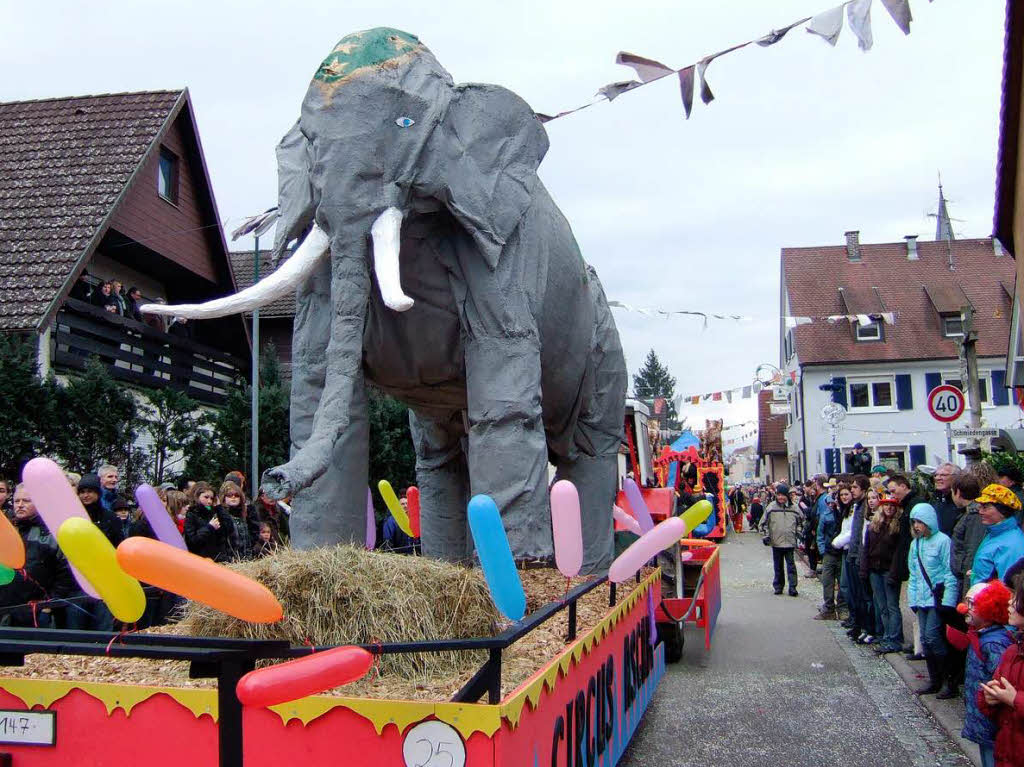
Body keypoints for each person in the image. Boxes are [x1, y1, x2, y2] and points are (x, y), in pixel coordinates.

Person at [956, 580, 1014, 767]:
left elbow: (1001, 681)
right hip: (982, 716)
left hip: (991, 719)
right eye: (967, 601)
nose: (965, 608)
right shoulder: (980, 635)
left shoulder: (993, 643)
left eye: (972, 603)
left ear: (990, 608)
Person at [0, 485, 72, 628]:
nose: (20, 505)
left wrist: (48, 605)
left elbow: (65, 576)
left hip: (35, 611)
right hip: (5, 608)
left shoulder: (52, 535)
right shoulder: (5, 530)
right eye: (17, 501)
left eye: (26, 501)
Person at [907, 502, 958, 696]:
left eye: (920, 521)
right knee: (925, 641)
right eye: (914, 522)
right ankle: (934, 680)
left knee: (933, 637)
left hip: (937, 598)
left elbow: (949, 571)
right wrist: (912, 600)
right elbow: (913, 574)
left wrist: (948, 601)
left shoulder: (943, 541)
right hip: (921, 599)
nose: (917, 526)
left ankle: (948, 681)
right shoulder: (916, 543)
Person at [978, 576, 1024, 767]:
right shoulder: (1013, 651)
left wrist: (1015, 699)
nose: (1010, 602)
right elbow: (991, 693)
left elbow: (1012, 698)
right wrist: (989, 698)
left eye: (1017, 597)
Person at [863, 495, 905, 654]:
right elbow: (866, 548)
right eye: (886, 505)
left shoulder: (897, 527)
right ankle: (887, 635)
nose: (889, 508)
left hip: (889, 570)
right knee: (882, 606)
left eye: (892, 506)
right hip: (875, 569)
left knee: (892, 606)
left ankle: (894, 638)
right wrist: (864, 568)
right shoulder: (874, 525)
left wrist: (895, 572)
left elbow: (898, 552)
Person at [888, 473, 919, 656]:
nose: (893, 496)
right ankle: (919, 644)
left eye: (894, 491)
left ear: (904, 485)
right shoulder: (907, 505)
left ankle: (919, 645)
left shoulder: (914, 504)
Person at [971, 484, 1024, 586]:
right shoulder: (994, 533)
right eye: (980, 506)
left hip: (992, 600)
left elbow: (1010, 587)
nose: (980, 511)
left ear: (1002, 511)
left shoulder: (1012, 544)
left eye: (985, 507)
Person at [844, 475, 874, 643]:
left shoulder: (864, 507)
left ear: (863, 489)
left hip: (859, 556)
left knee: (863, 596)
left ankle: (865, 627)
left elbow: (863, 535)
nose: (852, 490)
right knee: (855, 595)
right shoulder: (856, 506)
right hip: (853, 554)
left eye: (855, 487)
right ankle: (859, 626)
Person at [952, 472, 987, 599]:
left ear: (958, 492)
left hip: (969, 579)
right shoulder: (970, 514)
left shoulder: (975, 516)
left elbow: (973, 550)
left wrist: (968, 584)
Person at [760, 484, 800, 596]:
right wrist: (767, 535)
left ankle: (792, 587)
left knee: (791, 566)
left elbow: (802, 521)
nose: (781, 497)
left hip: (790, 541)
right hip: (776, 542)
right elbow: (763, 523)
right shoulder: (771, 507)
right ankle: (778, 586)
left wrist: (798, 532)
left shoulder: (794, 508)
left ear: (787, 496)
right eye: (779, 495)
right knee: (778, 566)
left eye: (783, 495)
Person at [815, 476, 845, 620]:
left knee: (843, 583)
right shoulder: (825, 515)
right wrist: (822, 550)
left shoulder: (844, 514)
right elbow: (820, 534)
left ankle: (842, 609)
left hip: (841, 552)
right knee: (827, 582)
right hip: (829, 552)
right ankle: (828, 608)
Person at [184, 482, 237, 562]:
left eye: (211, 498)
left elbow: (229, 528)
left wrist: (219, 507)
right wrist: (209, 527)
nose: (209, 501)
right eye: (206, 497)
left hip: (218, 559)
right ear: (197, 496)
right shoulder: (191, 515)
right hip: (201, 560)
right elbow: (193, 540)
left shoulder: (213, 512)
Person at [218, 481, 257, 561]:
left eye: (236, 495)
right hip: (229, 561)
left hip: (247, 560)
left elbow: (253, 534)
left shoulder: (245, 514)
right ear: (224, 498)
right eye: (229, 495)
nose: (233, 497)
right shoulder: (220, 515)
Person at [931, 463, 960, 536]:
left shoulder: (961, 502)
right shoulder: (935, 501)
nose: (938, 478)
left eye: (943, 475)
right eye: (936, 475)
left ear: (956, 477)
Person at [801, 479, 819, 578]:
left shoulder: (816, 499)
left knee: (812, 549)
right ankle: (813, 568)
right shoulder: (808, 498)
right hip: (810, 526)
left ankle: (813, 569)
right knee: (809, 548)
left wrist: (807, 510)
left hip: (813, 527)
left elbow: (812, 512)